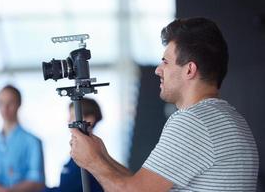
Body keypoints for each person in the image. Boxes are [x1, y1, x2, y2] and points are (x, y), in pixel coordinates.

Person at [69, 17, 259, 191]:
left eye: (165, 62)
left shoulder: (192, 122)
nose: (158, 70)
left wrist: (92, 161)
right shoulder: (229, 118)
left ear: (189, 70)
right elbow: (143, 185)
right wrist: (102, 156)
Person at [0, 84, 45, 192]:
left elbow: (37, 181)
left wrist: (8, 191)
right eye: (1, 103)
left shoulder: (33, 142)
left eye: (10, 103)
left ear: (19, 104)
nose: (5, 108)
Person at [45, 97, 103, 192]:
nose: (68, 120)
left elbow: (66, 190)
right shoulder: (80, 154)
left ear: (89, 120)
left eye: (72, 116)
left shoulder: (88, 155)